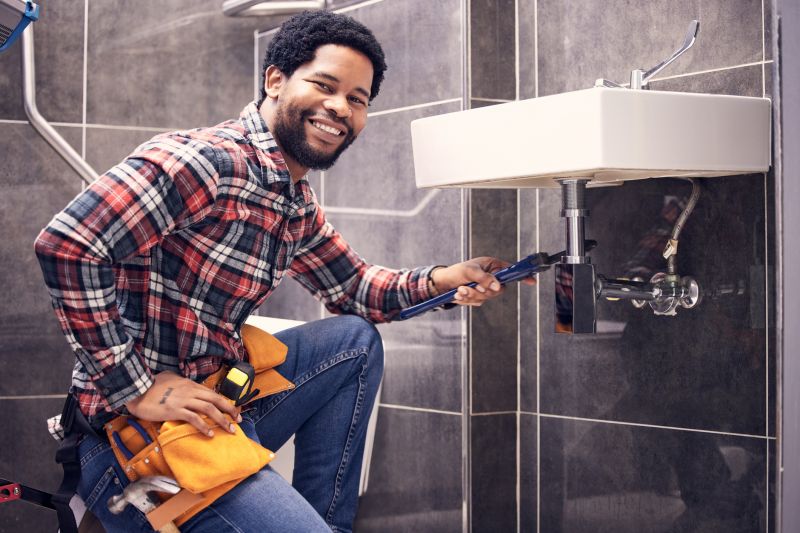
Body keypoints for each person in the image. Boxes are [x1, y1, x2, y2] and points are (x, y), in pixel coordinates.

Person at [34, 10, 528, 533]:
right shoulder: (205, 161)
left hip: (211, 413)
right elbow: (69, 245)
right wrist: (135, 387)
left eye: (357, 99)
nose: (340, 108)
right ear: (275, 80)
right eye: (325, 86)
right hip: (131, 447)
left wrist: (443, 280)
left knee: (352, 342)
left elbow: (356, 289)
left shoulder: (292, 200)